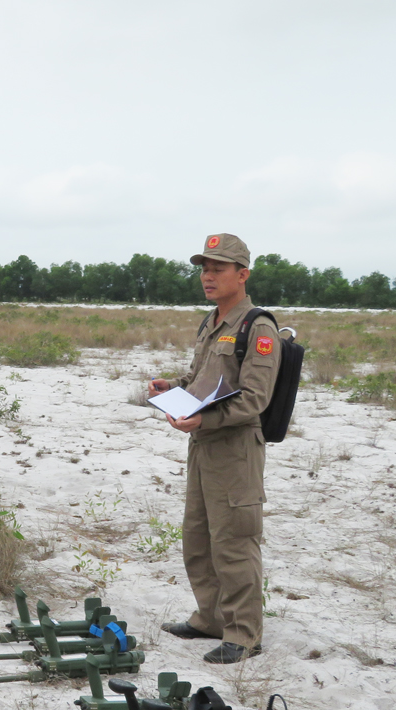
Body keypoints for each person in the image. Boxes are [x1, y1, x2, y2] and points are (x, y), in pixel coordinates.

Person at [148, 233, 281, 665]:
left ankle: (244, 635)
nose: (208, 276)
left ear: (242, 275)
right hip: (203, 444)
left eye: (218, 268)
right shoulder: (212, 321)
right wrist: (175, 388)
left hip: (236, 449)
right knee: (199, 537)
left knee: (235, 541)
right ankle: (210, 617)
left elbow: (254, 399)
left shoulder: (257, 327)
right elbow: (202, 379)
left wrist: (203, 418)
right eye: (204, 268)